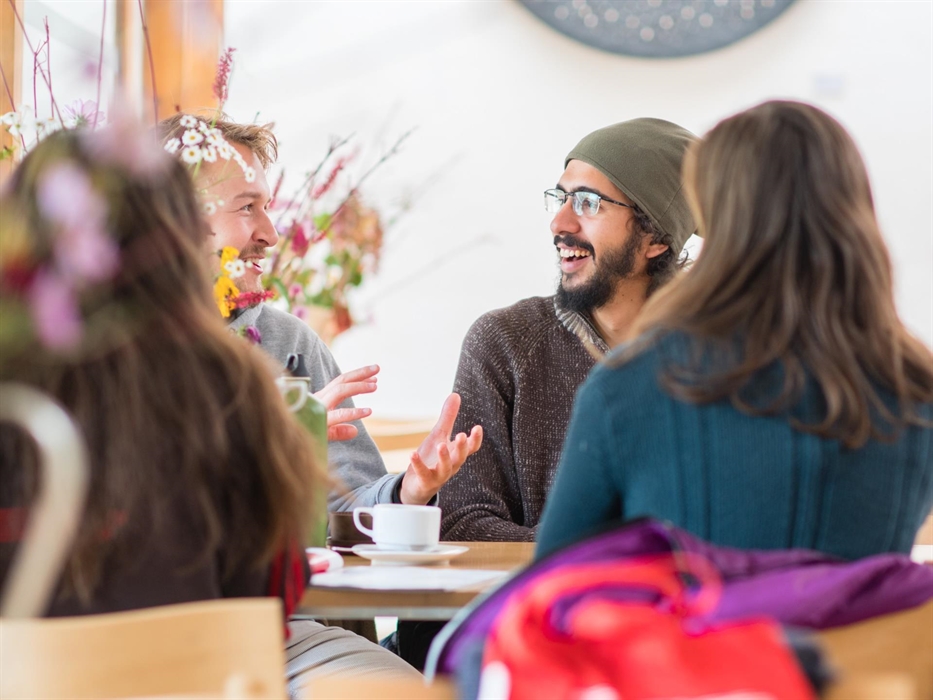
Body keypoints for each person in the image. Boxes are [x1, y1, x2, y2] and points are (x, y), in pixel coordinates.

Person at [0, 126, 420, 691]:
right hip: (214, 673)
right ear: (176, 234)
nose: (268, 234)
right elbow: (276, 587)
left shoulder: (21, 393)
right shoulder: (232, 382)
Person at [536, 101, 933, 561]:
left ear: (719, 217)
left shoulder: (631, 386)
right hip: (865, 636)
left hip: (696, 634)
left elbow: (552, 585)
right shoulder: (914, 390)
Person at [158, 113, 482, 513]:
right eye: (246, 208)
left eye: (266, 207)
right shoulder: (103, 348)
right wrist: (270, 440)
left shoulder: (290, 345)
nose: (271, 235)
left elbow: (344, 502)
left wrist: (403, 492)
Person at [439, 118, 697, 542]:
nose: (560, 223)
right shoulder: (503, 342)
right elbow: (461, 525)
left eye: (588, 203)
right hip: (540, 606)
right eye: (560, 198)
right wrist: (608, 552)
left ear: (654, 238)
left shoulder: (721, 357)